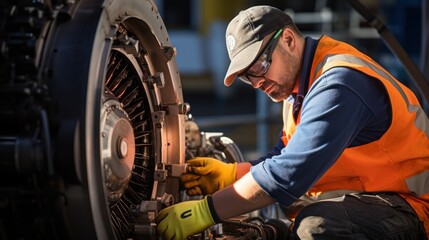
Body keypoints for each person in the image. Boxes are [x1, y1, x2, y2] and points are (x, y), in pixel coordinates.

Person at [156, 5, 429, 239]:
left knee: (316, 227)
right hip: (376, 197)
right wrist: (230, 175)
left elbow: (288, 175)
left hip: (414, 209)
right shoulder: (298, 88)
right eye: (247, 77)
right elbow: (283, 156)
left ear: (288, 39)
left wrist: (206, 212)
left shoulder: (339, 83)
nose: (257, 83)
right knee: (296, 210)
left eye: (260, 66)